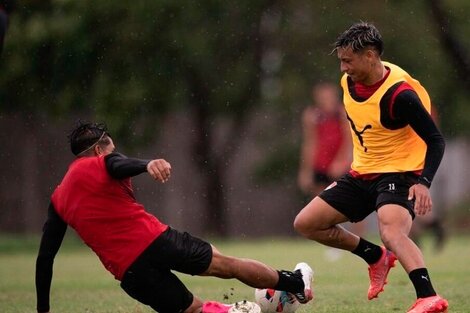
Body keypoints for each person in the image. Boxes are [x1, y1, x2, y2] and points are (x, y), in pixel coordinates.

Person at [35, 121, 314, 313]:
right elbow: (117, 164)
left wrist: (43, 308)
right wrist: (147, 164)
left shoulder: (58, 199)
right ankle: (296, 284)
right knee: (228, 265)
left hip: (130, 273)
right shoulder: (101, 162)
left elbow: (45, 257)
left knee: (192, 309)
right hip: (156, 241)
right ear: (98, 151)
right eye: (111, 149)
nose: (114, 154)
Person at [293, 22, 448, 313]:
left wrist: (423, 182)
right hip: (362, 172)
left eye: (347, 61)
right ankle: (374, 256)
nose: (342, 68)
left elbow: (436, 141)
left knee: (391, 232)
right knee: (306, 223)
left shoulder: (400, 96)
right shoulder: (347, 82)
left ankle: (428, 296)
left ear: (371, 56)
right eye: (340, 60)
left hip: (399, 173)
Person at [297, 82, 366, 259]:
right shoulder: (312, 115)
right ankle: (334, 244)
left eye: (328, 95)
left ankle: (361, 244)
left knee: (353, 206)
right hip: (321, 164)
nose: (325, 99)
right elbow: (310, 143)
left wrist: (341, 161)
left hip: (341, 164)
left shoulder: (342, 112)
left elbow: (349, 139)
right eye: (322, 96)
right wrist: (306, 170)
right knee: (322, 207)